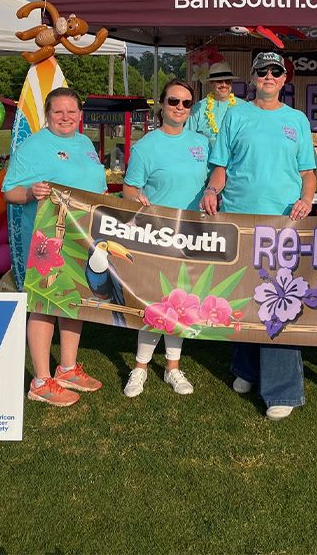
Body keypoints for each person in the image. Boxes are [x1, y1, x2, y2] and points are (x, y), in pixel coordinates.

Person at [202, 51, 317, 420]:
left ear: (285, 79)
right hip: (239, 220)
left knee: (279, 301)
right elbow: (220, 168)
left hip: (283, 223)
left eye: (275, 72)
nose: (269, 76)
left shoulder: (296, 120)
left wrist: (306, 199)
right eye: (262, 72)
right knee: (243, 295)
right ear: (252, 78)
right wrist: (211, 190)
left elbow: (308, 173)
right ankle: (246, 368)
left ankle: (282, 389)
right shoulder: (235, 115)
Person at [3, 87, 108, 407]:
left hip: (81, 237)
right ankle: (40, 380)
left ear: (80, 114)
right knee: (45, 302)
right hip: (45, 239)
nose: (66, 118)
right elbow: (9, 192)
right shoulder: (33, 146)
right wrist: (30, 193)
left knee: (73, 299)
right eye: (58, 112)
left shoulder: (85, 143)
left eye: (72, 112)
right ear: (47, 115)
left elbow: (98, 189)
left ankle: (67, 367)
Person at [122, 79, 211, 398]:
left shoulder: (203, 143)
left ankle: (173, 367)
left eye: (187, 103)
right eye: (174, 101)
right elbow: (129, 189)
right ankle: (140, 367)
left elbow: (216, 175)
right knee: (156, 301)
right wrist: (138, 198)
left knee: (182, 301)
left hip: (194, 235)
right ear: (161, 104)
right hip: (157, 233)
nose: (180, 108)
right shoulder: (147, 146)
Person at [186, 60, 244, 146]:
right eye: (219, 81)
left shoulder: (243, 106)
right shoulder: (198, 108)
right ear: (211, 83)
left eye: (227, 81)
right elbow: (188, 137)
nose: (224, 85)